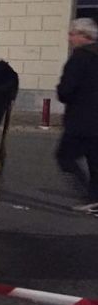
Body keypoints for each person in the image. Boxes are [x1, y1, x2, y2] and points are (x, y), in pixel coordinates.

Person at [56, 17, 98, 216]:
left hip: (81, 120)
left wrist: (61, 90)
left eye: (72, 34)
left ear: (84, 36)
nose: (69, 38)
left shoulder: (79, 58)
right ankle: (94, 198)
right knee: (94, 160)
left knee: (64, 156)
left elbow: (65, 91)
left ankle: (87, 195)